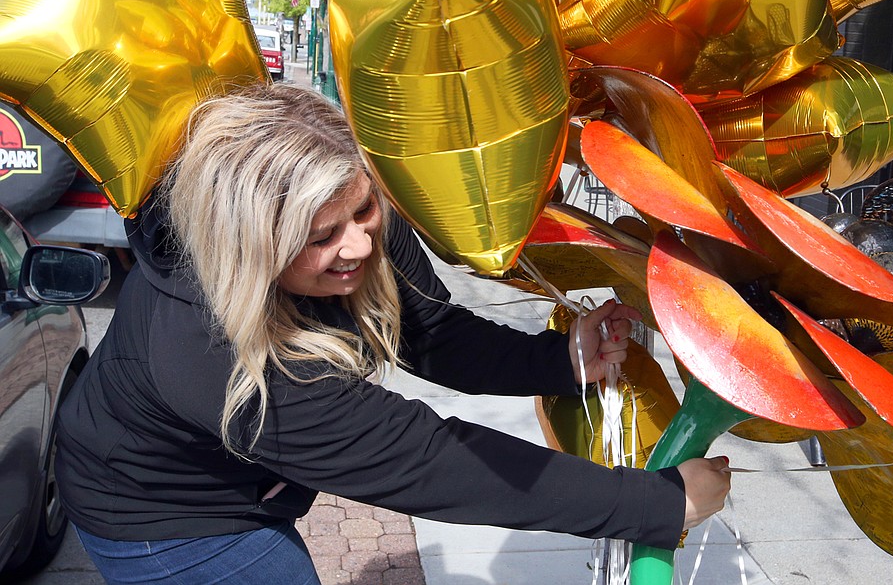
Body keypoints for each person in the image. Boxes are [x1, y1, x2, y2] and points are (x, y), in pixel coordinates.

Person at [55, 82, 731, 584]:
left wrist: (559, 359)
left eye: (364, 207)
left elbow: (431, 333)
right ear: (251, 247)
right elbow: (435, 461)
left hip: (236, 465)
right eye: (321, 237)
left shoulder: (352, 206)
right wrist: (655, 502)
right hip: (162, 517)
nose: (358, 243)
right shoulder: (211, 350)